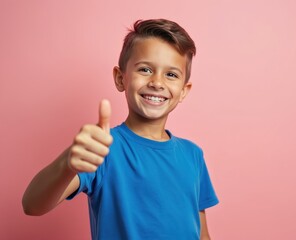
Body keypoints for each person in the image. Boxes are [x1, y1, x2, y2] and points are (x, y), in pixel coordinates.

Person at [22, 19, 219, 240]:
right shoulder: (102, 148)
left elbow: (202, 233)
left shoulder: (193, 155)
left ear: (184, 91)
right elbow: (32, 205)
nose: (157, 82)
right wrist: (67, 162)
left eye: (171, 74)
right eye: (145, 69)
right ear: (120, 78)